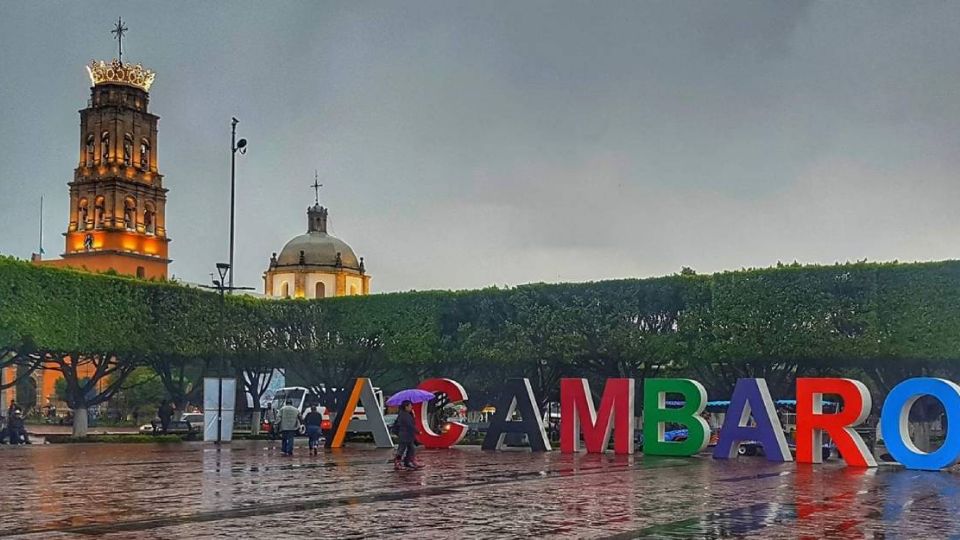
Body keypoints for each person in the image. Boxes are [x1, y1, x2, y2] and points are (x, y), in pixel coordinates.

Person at [394, 400, 422, 470]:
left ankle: (408, 462)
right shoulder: (404, 415)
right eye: (410, 406)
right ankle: (398, 463)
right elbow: (410, 425)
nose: (411, 407)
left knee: (411, 449)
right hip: (404, 435)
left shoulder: (408, 414)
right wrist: (417, 431)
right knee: (401, 449)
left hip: (409, 435)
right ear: (406, 407)